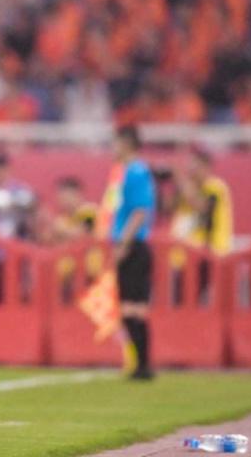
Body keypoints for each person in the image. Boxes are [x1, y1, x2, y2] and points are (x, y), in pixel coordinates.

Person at [105, 125, 156, 380]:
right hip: (128, 244)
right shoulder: (123, 172)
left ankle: (144, 365)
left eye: (115, 143)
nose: (112, 148)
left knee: (133, 309)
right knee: (127, 308)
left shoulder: (136, 172)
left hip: (134, 246)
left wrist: (123, 244)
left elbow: (139, 212)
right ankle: (139, 364)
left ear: (127, 144)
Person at [171, 146, 234, 256]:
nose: (191, 170)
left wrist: (181, 180)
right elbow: (169, 208)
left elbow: (202, 206)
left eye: (194, 166)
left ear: (206, 167)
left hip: (211, 252)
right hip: (185, 253)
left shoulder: (216, 187)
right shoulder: (188, 189)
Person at [49, 176, 98, 244]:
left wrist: (61, 230)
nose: (66, 202)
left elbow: (82, 234)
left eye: (69, 196)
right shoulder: (63, 219)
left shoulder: (89, 211)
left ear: (79, 194)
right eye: (62, 198)